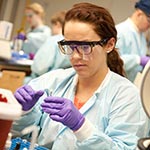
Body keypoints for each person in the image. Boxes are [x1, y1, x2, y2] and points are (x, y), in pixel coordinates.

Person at [13, 3, 148, 149]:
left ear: (109, 44)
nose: (75, 56)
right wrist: (23, 112)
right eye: (70, 46)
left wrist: (82, 127)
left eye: (85, 47)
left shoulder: (126, 96)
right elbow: (20, 136)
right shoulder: (51, 81)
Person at [24, 11, 71, 83]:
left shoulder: (53, 41)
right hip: (61, 83)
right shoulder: (73, 43)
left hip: (44, 82)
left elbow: (40, 68)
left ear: (57, 24)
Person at [116, 0, 150, 82]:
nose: (149, 26)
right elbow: (113, 61)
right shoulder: (120, 31)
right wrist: (138, 60)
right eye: (149, 21)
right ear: (139, 14)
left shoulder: (141, 36)